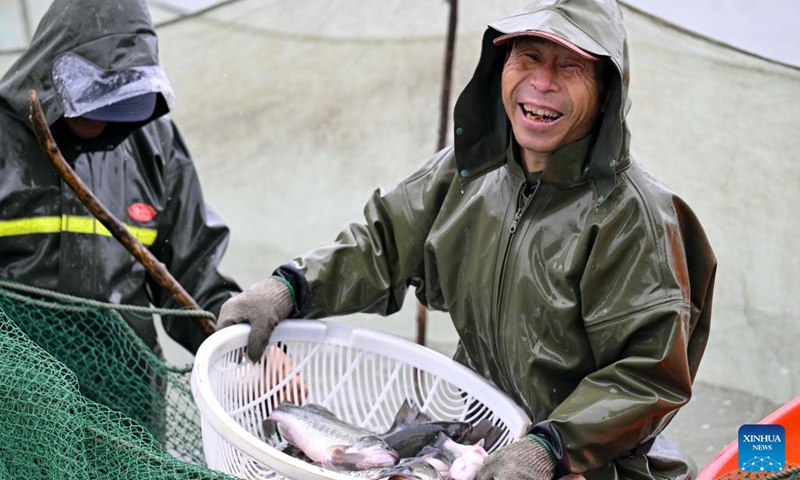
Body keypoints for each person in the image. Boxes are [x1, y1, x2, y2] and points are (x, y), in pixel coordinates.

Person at [218, 0, 717, 478]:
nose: (542, 83)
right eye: (529, 57)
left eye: (571, 67)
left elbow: (647, 376)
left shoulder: (634, 216)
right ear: (501, 64)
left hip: (593, 467)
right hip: (484, 445)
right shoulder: (468, 170)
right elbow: (382, 245)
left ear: (607, 91)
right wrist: (289, 287)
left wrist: (550, 450)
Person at [0, 0, 240, 359]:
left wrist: (240, 344)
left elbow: (195, 275)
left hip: (128, 404)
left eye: (118, 99)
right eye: (93, 95)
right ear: (49, 65)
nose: (102, 117)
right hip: (18, 400)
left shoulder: (156, 144)